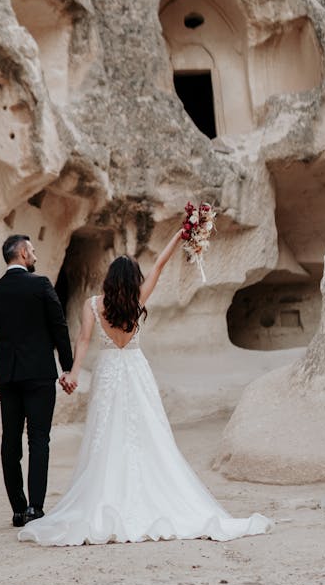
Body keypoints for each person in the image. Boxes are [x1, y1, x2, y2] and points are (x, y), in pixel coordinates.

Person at [19, 229, 271, 545]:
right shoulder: (138, 299)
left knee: (106, 433)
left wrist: (73, 374)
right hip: (135, 369)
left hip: (109, 370)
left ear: (109, 279)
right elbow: (161, 265)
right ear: (133, 279)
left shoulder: (93, 305)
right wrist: (180, 235)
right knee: (147, 432)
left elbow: (82, 340)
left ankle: (107, 493)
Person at [0, 234, 73, 528]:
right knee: (39, 439)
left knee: (10, 441)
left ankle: (18, 509)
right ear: (21, 253)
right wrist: (67, 367)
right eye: (32, 250)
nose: (35, 255)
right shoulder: (41, 285)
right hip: (40, 375)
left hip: (8, 377)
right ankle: (35, 507)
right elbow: (59, 327)